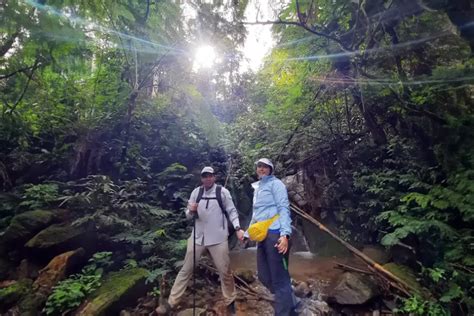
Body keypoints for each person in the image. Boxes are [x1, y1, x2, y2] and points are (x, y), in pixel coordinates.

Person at [156, 166, 245, 315]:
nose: (207, 178)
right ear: (201, 178)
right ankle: (171, 302)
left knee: (225, 272)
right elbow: (188, 215)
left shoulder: (222, 192)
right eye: (205, 176)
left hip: (218, 238)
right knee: (186, 269)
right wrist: (191, 210)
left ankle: (230, 301)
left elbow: (231, 211)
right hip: (198, 237)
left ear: (214, 177)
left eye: (210, 176)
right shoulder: (196, 192)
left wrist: (237, 228)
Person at [246, 158, 297, 316]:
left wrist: (285, 235)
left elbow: (283, 208)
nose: (261, 169)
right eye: (259, 166)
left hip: (276, 233)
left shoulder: (277, 184)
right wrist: (248, 233)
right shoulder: (258, 187)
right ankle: (291, 301)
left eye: (265, 167)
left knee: (279, 278)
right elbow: (256, 214)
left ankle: (283, 311)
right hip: (262, 233)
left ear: (270, 169)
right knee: (263, 276)